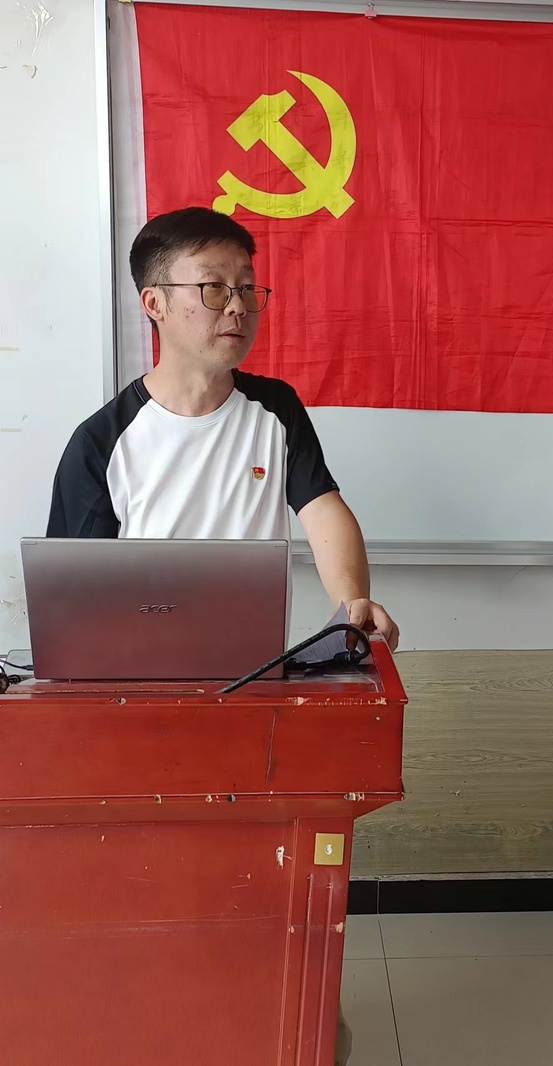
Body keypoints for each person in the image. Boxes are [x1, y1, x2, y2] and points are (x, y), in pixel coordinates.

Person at [46, 205, 399, 1065]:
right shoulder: (102, 442)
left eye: (248, 287)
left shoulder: (274, 411)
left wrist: (351, 600)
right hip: (138, 716)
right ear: (155, 304)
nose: (238, 305)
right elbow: (72, 603)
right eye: (213, 287)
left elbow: (323, 510)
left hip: (254, 695)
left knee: (262, 882)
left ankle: (275, 1026)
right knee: (151, 886)